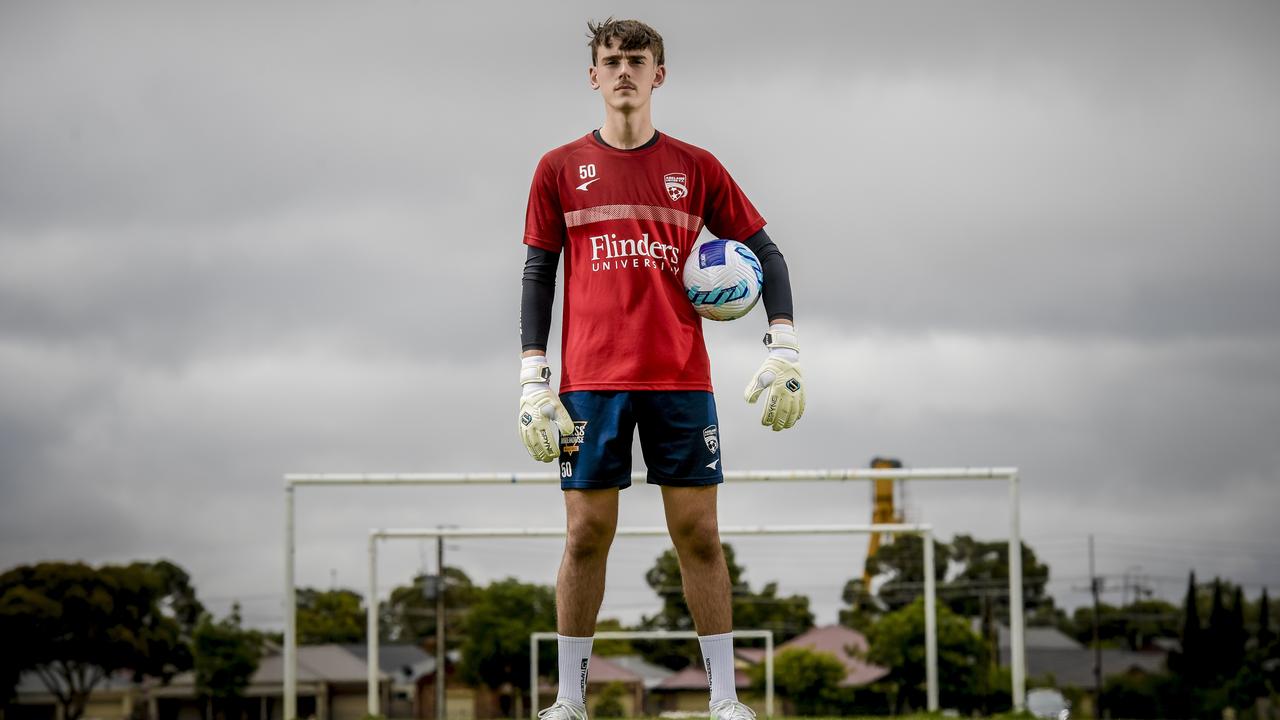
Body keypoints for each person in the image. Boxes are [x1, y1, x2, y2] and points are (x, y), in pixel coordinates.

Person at [517, 18, 804, 720]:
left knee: (700, 535)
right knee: (586, 534)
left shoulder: (696, 168)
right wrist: (533, 376)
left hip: (680, 378)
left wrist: (785, 348)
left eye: (636, 61)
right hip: (590, 383)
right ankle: (570, 699)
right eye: (610, 61)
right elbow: (538, 270)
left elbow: (768, 255)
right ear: (593, 75)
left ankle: (725, 699)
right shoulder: (558, 168)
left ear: (658, 75)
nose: (623, 72)